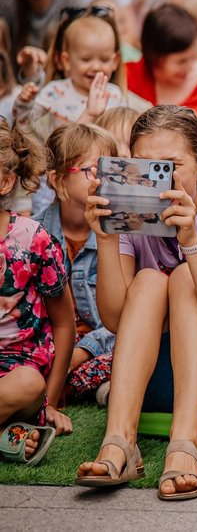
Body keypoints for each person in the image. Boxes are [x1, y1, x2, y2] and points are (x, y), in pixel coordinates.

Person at [75, 105, 197, 500]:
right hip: (153, 380)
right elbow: (115, 320)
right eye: (146, 168)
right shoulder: (130, 214)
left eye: (169, 166)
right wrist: (106, 238)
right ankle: (120, 440)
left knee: (184, 277)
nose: (157, 181)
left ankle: (185, 444)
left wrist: (192, 244)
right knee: (150, 282)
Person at [0, 121, 75, 466]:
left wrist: (53, 401)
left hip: (18, 371)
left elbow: (64, 323)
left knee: (29, 384)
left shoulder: (33, 239)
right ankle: (7, 437)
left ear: (5, 181)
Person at [38, 123, 119, 381]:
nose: (102, 178)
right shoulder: (33, 235)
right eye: (91, 170)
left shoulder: (120, 235)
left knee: (128, 355)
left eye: (108, 168)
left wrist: (83, 352)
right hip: (49, 347)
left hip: (100, 346)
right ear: (57, 179)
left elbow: (124, 319)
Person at [126, 4, 197, 130]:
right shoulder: (127, 77)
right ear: (153, 56)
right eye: (181, 61)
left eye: (195, 56)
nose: (191, 67)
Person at [27, 11, 127, 143]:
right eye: (86, 59)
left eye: (104, 60)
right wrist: (24, 102)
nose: (96, 67)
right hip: (65, 159)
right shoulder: (56, 91)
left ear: (115, 61)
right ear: (67, 61)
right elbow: (25, 121)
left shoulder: (115, 95)